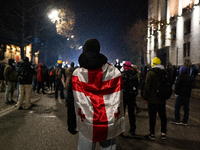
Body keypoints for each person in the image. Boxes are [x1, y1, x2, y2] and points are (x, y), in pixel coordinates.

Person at [67, 38, 125, 150]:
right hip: (108, 120)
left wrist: (71, 122)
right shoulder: (114, 72)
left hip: (85, 121)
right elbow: (120, 98)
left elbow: (72, 100)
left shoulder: (77, 74)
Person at [143, 57, 167, 140]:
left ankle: (152, 133)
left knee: (152, 116)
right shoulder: (165, 72)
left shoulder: (150, 73)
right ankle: (163, 133)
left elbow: (147, 86)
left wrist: (145, 97)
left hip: (152, 99)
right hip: (162, 98)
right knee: (163, 116)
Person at [121, 61, 138, 136]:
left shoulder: (122, 74)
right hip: (132, 96)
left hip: (123, 96)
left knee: (122, 114)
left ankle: (121, 130)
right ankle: (132, 129)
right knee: (131, 114)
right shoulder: (134, 74)